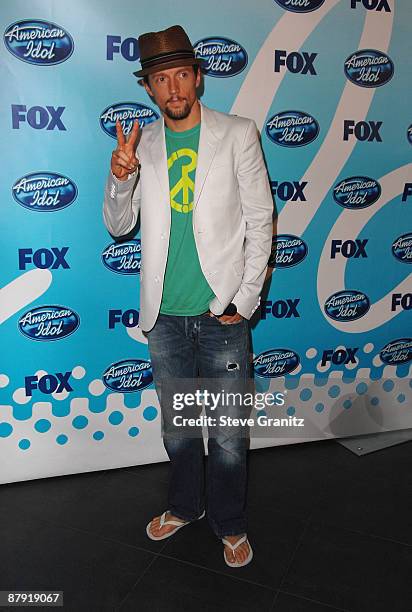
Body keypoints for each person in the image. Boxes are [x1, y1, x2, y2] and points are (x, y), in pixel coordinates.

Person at [103, 25, 273, 568]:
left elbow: (260, 219)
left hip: (220, 314)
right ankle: (184, 506)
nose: (173, 87)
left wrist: (243, 301)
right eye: (160, 78)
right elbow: (117, 226)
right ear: (149, 89)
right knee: (178, 430)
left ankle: (230, 522)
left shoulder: (238, 132)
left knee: (227, 437)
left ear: (198, 78)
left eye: (181, 74)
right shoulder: (142, 145)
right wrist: (119, 178)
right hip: (164, 318)